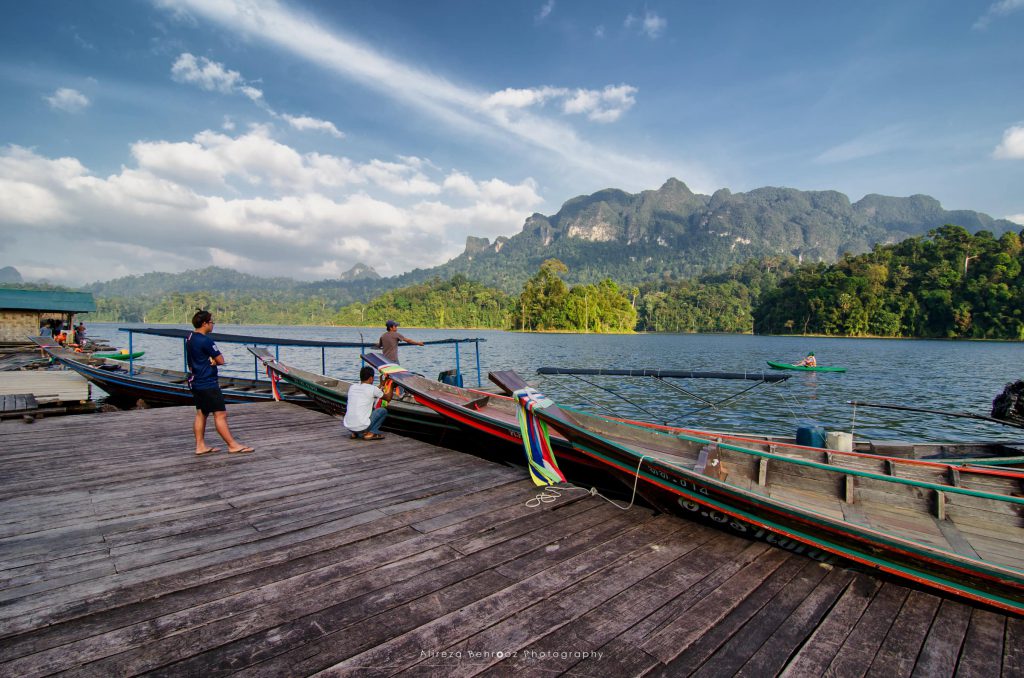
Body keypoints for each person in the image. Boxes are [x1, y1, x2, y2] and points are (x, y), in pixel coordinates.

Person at [186, 309, 253, 455]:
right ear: (204, 324)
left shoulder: (190, 338)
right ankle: (232, 445)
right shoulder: (206, 340)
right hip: (207, 382)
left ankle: (200, 446)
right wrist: (214, 361)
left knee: (201, 413)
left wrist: (209, 360)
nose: (213, 324)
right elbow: (221, 360)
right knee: (220, 414)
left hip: (195, 380)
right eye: (211, 322)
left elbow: (194, 361)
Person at [343, 365, 387, 440]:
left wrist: (381, 385)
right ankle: (371, 433)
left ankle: (354, 433)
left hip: (349, 426)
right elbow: (387, 398)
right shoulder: (372, 389)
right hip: (362, 426)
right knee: (383, 411)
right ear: (371, 378)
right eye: (373, 378)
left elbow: (371, 390)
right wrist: (392, 386)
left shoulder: (353, 387)